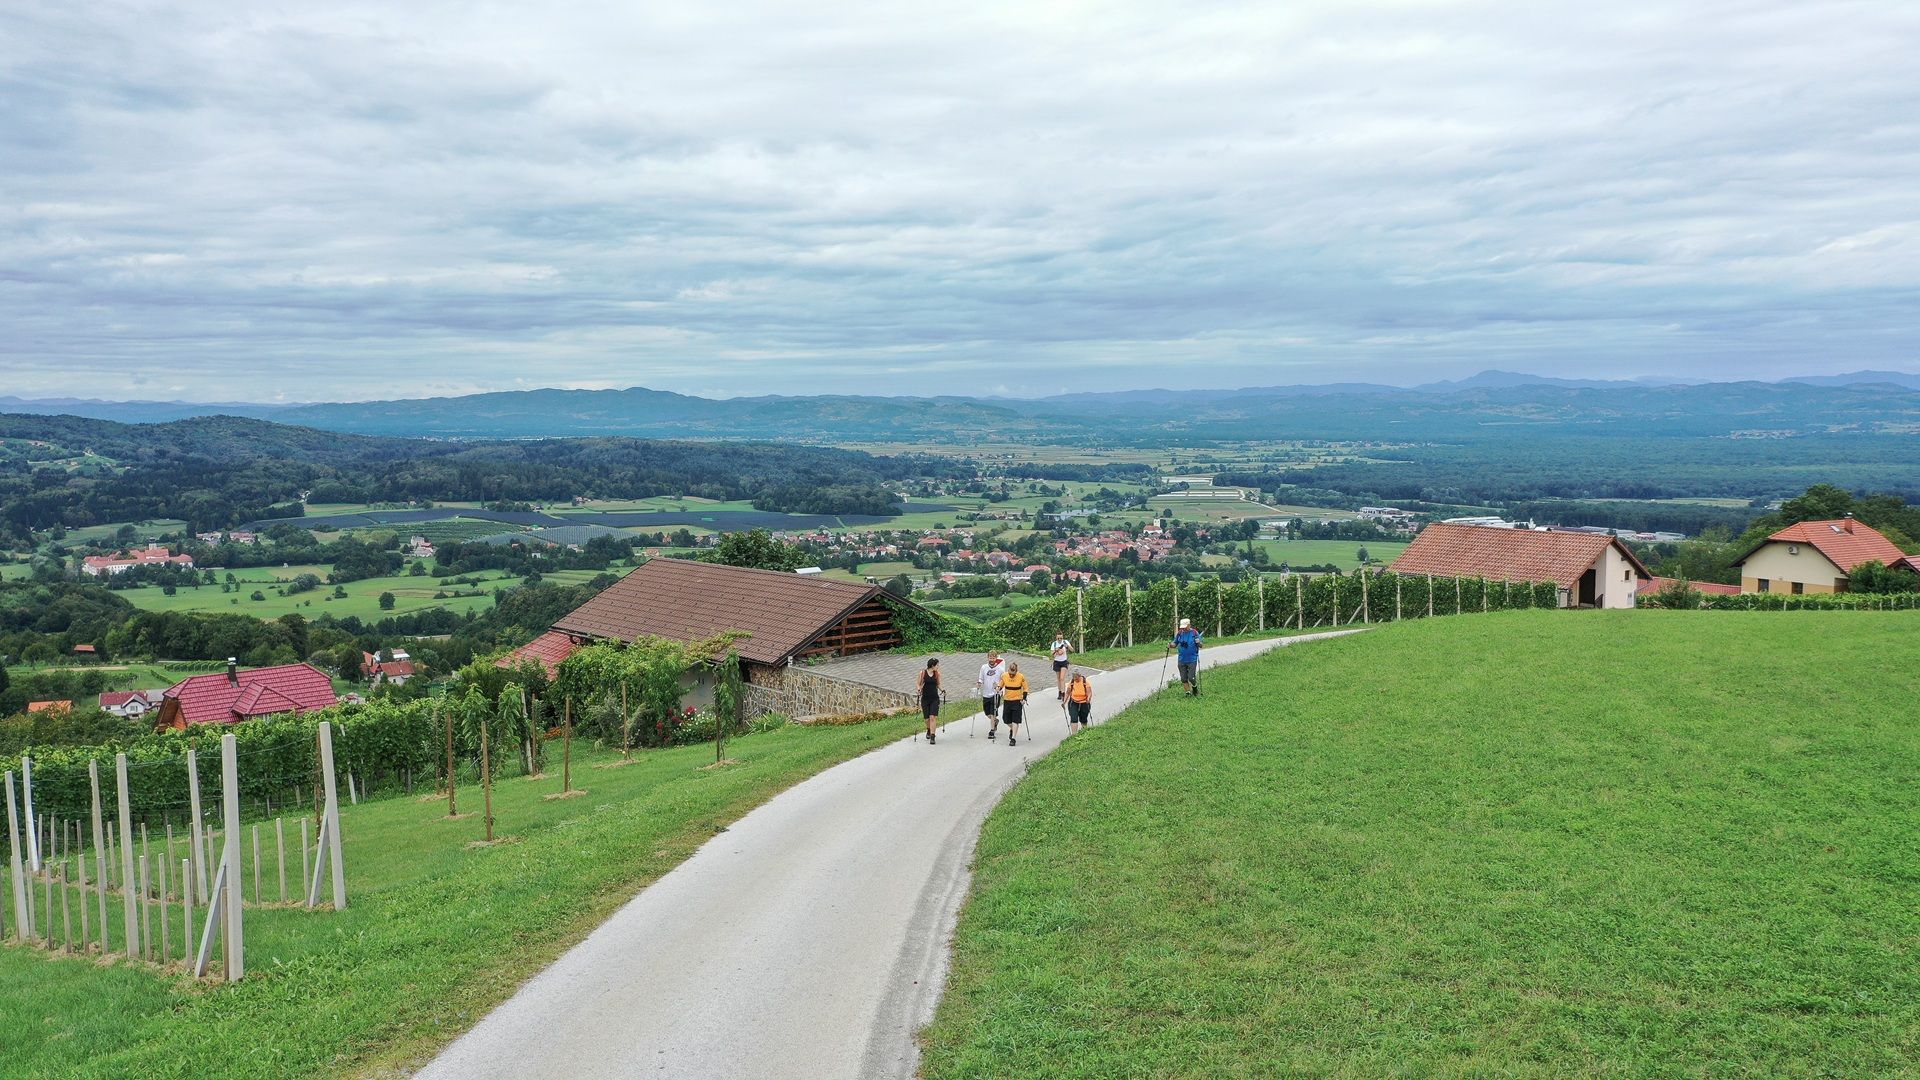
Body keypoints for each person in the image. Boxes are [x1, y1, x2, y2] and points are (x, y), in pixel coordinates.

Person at [999, 660, 1030, 746]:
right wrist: (998, 688)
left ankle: (1013, 738)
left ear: (1016, 671)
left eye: (1013, 673)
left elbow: (1026, 688)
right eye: (1010, 673)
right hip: (1007, 700)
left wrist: (1024, 698)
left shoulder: (1021, 677)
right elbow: (1000, 685)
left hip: (1017, 701)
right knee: (1006, 719)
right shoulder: (1004, 676)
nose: (1011, 675)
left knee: (1015, 720)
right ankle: (1012, 729)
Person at [976, 650, 1006, 739]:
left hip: (995, 694)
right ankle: (995, 721)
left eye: (993, 658)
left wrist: (999, 686)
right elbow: (981, 678)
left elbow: (1003, 680)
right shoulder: (984, 667)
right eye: (990, 657)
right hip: (986, 693)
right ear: (987, 658)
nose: (991, 659)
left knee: (993, 712)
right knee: (987, 713)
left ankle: (992, 731)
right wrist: (979, 683)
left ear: (996, 658)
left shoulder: (1000, 669)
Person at [1170, 617, 1203, 696]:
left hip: (1192, 659)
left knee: (1191, 677)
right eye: (1182, 627)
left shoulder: (1194, 633)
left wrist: (1198, 642)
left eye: (1185, 627)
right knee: (1183, 678)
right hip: (1181, 659)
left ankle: (1194, 688)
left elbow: (1201, 645)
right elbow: (1175, 643)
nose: (1183, 629)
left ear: (1189, 625)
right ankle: (1188, 693)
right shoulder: (1179, 633)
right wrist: (1171, 645)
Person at [917, 657, 943, 744]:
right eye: (937, 665)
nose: (938, 666)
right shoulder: (922, 673)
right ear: (932, 665)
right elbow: (918, 684)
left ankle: (932, 736)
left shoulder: (937, 674)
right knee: (926, 719)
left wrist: (943, 690)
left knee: (932, 717)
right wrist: (918, 689)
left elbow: (938, 684)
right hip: (925, 698)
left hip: (934, 698)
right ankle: (928, 729)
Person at [1049, 631, 1073, 701]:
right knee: (1059, 679)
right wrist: (1056, 651)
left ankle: (1063, 693)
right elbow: (1052, 654)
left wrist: (1068, 646)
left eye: (1061, 638)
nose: (1060, 639)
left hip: (1064, 662)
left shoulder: (1065, 642)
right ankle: (1059, 692)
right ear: (1056, 638)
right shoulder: (1054, 644)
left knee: (1062, 678)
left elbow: (1072, 650)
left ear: (1063, 637)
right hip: (1056, 662)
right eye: (1058, 638)